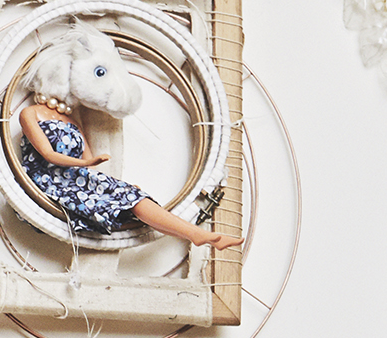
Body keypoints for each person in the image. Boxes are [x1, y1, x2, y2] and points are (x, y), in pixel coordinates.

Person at [16, 95, 241, 248]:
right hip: (48, 183)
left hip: (78, 179)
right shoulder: (29, 113)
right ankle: (195, 234)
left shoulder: (71, 119)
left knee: (132, 196)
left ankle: (196, 235)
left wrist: (112, 182)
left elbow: (91, 167)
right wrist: (87, 163)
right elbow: (48, 154)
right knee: (119, 200)